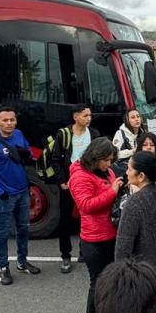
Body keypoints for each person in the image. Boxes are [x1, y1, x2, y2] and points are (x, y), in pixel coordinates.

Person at [69, 137, 126, 313]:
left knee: (112, 282)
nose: (109, 165)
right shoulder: (79, 176)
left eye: (111, 160)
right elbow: (86, 206)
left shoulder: (106, 171)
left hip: (111, 233)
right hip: (94, 239)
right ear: (95, 157)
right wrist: (112, 191)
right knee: (98, 283)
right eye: (106, 160)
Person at [0, 105, 40, 285]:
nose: (9, 123)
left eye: (12, 120)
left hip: (23, 192)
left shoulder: (19, 134)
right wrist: (1, 192)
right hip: (4, 196)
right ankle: (3, 267)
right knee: (3, 233)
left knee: (23, 229)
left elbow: (28, 153)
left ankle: (22, 263)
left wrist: (27, 154)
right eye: (5, 120)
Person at [115, 150, 156, 302]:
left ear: (141, 176)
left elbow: (123, 248)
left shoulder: (134, 203)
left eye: (129, 169)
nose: (126, 172)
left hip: (142, 277)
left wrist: (119, 278)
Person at [50, 103, 101, 274]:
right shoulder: (64, 134)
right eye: (85, 115)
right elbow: (55, 159)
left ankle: (83, 252)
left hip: (88, 183)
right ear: (75, 117)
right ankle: (65, 256)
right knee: (65, 220)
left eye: (90, 115)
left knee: (86, 217)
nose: (89, 118)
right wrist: (62, 181)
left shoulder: (94, 134)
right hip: (69, 184)